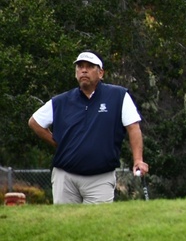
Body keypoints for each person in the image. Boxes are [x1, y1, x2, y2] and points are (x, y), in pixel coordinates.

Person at [28, 51, 149, 204]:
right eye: (80, 67)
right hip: (65, 177)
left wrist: (138, 160)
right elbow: (34, 122)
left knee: (97, 220)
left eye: (90, 66)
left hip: (100, 178)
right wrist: (58, 144)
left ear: (101, 73)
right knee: (65, 220)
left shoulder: (118, 96)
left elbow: (133, 127)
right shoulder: (61, 101)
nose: (84, 70)